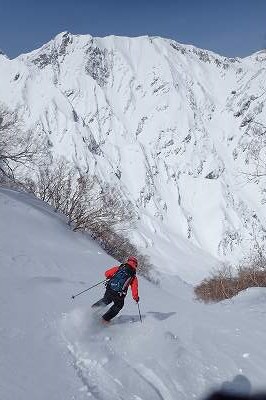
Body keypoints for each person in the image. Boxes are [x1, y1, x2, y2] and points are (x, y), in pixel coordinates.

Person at [91, 256, 139, 323]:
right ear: (135, 265)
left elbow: (106, 273)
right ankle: (105, 320)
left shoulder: (119, 268)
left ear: (128, 261)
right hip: (119, 294)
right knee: (118, 305)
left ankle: (92, 310)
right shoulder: (133, 276)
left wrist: (111, 277)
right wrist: (136, 298)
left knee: (106, 300)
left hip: (110, 288)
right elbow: (134, 288)